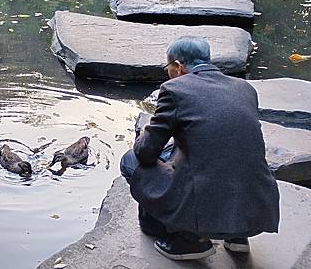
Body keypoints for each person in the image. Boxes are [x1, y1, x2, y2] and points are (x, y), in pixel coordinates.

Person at [120, 36, 280, 261]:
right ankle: (237, 237)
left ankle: (190, 241)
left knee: (130, 161)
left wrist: (144, 133)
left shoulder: (175, 88)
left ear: (178, 66)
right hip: (257, 208)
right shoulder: (245, 88)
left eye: (168, 68)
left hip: (204, 208)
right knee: (218, 151)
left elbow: (146, 153)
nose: (168, 73)